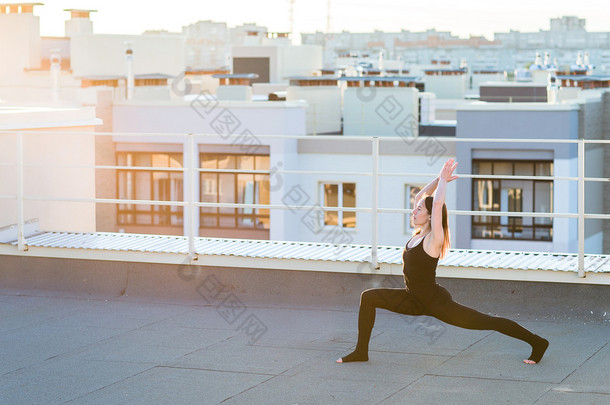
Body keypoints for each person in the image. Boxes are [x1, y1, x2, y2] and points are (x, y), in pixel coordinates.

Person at [337, 158, 549, 365]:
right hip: (412, 299)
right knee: (369, 297)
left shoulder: (434, 239)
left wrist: (444, 183)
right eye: (416, 208)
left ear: (430, 216)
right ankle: (361, 351)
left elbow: (437, 203)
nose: (414, 211)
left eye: (419, 210)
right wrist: (438, 179)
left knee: (488, 322)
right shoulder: (419, 233)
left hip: (437, 304)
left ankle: (538, 342)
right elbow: (423, 195)